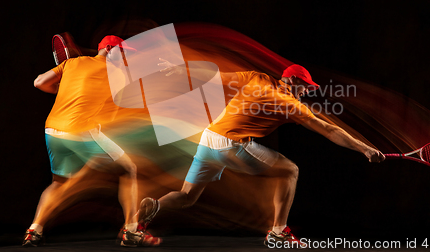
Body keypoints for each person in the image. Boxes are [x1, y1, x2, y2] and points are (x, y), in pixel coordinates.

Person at [137, 62, 385, 247]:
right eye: (306, 86)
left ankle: (152, 210)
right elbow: (329, 130)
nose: (307, 92)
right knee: (289, 170)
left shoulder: (255, 77)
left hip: (208, 138)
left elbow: (214, 78)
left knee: (187, 196)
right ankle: (278, 231)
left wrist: (181, 70)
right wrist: (364, 148)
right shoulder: (290, 103)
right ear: (293, 82)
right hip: (230, 144)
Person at [23, 35, 161, 247]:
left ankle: (34, 231)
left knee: (59, 183)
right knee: (129, 169)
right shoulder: (119, 73)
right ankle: (131, 231)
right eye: (122, 52)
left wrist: (65, 88)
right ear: (108, 48)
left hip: (53, 130)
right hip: (82, 130)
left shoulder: (71, 63)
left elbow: (38, 82)